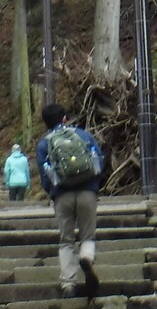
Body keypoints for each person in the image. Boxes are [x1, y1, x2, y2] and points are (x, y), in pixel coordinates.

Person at [36, 103, 105, 299]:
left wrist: (53, 191)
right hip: (87, 192)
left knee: (66, 240)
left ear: (46, 124)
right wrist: (94, 184)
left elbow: (44, 175)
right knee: (88, 236)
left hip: (62, 195)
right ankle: (86, 257)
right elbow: (99, 159)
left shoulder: (43, 144)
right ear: (64, 118)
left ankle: (68, 285)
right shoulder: (82, 135)